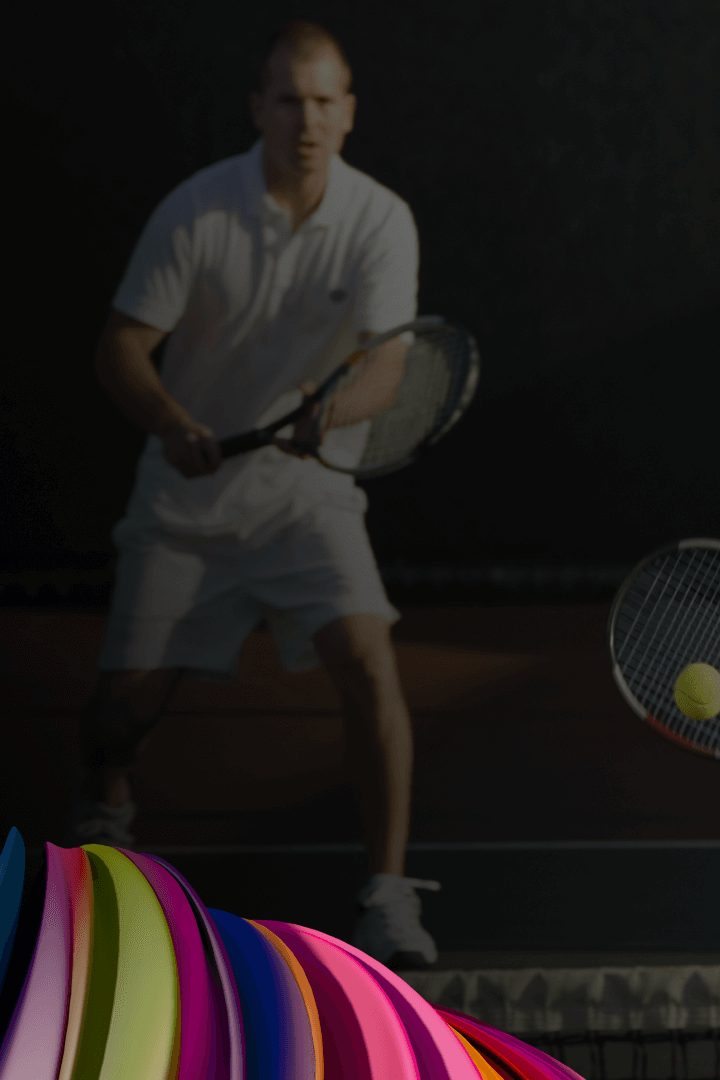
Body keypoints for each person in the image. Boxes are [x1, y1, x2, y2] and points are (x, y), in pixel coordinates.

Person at [80, 20, 442, 968]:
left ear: (350, 112)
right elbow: (120, 345)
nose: (308, 120)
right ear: (259, 110)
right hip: (183, 505)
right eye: (289, 100)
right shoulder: (196, 211)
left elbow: (390, 364)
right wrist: (169, 422)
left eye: (326, 101)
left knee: (369, 660)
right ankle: (111, 817)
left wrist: (329, 414)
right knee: (121, 714)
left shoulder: (380, 220)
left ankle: (388, 894)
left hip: (305, 499)